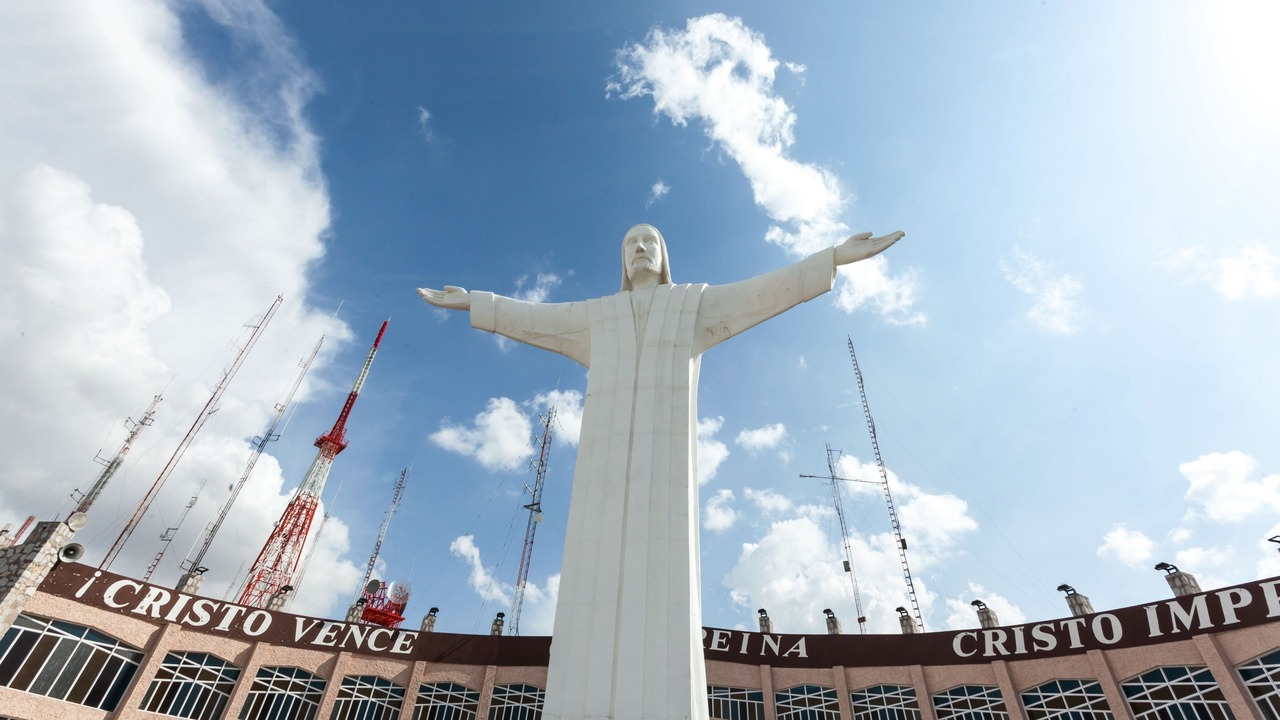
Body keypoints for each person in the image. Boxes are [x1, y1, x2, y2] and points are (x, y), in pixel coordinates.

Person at [419, 224, 902, 720]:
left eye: (650, 242)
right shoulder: (597, 318)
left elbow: (762, 291)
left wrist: (834, 259)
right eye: (630, 244)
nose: (641, 250)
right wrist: (479, 303)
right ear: (621, 261)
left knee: (667, 608)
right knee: (587, 601)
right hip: (598, 490)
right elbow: (535, 317)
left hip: (665, 487)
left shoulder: (692, 306)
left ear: (666, 255)